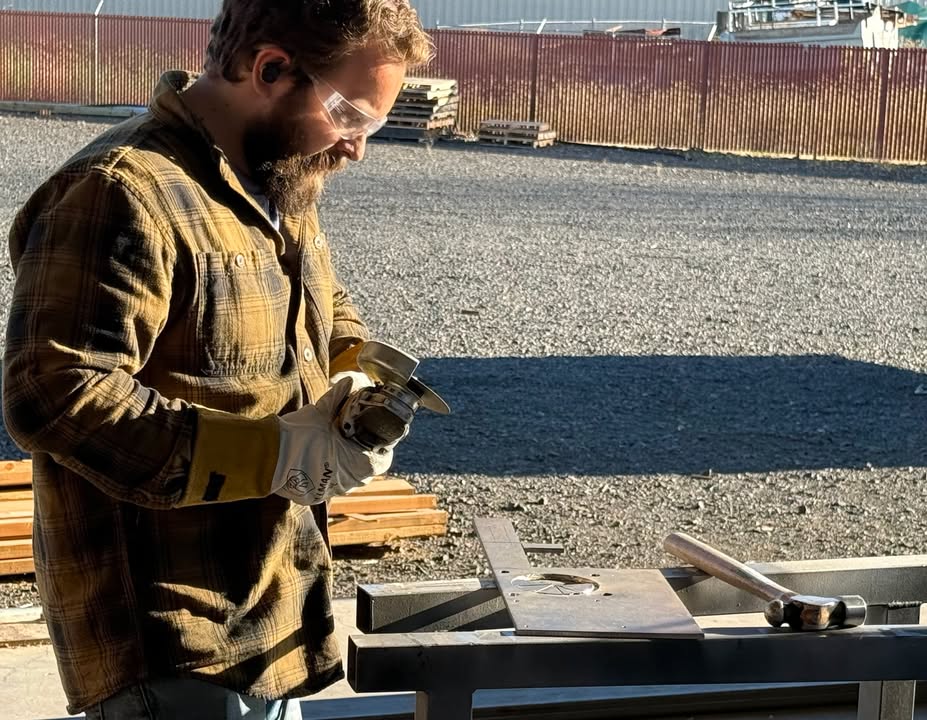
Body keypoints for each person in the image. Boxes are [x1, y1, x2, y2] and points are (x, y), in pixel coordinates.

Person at [2, 1, 432, 717]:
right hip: (174, 641)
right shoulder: (120, 191)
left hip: (268, 611)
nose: (356, 146)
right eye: (349, 114)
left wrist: (355, 377)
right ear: (268, 68)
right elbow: (53, 393)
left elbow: (321, 304)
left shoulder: (275, 176)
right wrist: (271, 457)